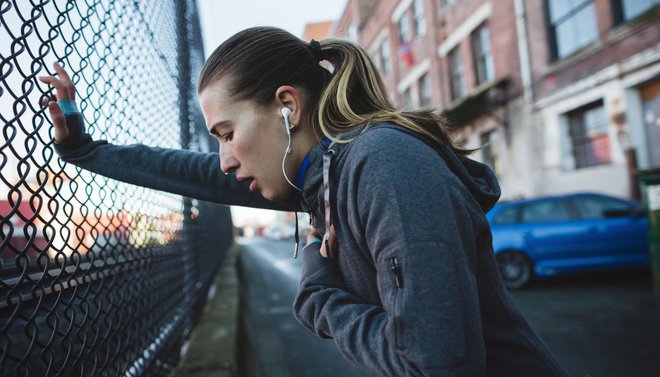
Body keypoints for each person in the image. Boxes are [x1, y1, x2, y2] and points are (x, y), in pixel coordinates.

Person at [40, 26, 570, 376]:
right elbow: (193, 171)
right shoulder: (326, 176)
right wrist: (85, 149)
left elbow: (434, 365)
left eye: (227, 132)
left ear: (287, 106)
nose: (224, 159)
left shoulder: (383, 165)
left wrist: (318, 292)